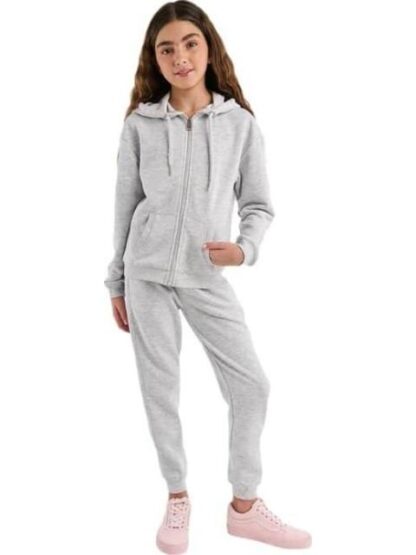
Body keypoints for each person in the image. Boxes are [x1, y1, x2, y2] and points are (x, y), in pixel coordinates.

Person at [104, 1, 312, 553]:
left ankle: (244, 507)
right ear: (154, 59)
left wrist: (243, 250)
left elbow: (259, 205)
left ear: (209, 48)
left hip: (205, 274)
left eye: (190, 43)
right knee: (161, 389)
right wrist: (116, 281)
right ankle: (177, 498)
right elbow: (124, 205)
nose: (180, 57)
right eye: (167, 48)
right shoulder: (140, 125)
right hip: (145, 273)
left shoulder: (240, 125)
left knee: (251, 385)